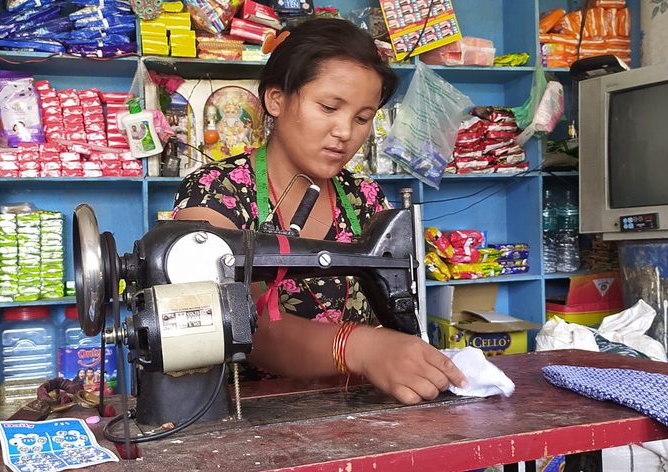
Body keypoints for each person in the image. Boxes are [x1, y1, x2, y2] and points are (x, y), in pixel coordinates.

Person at [172, 17, 466, 405]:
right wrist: (362, 348)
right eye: (329, 107)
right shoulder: (215, 192)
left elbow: (396, 303)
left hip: (359, 414)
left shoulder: (364, 197)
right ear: (276, 99)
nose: (346, 132)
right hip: (247, 422)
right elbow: (235, 322)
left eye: (362, 118)